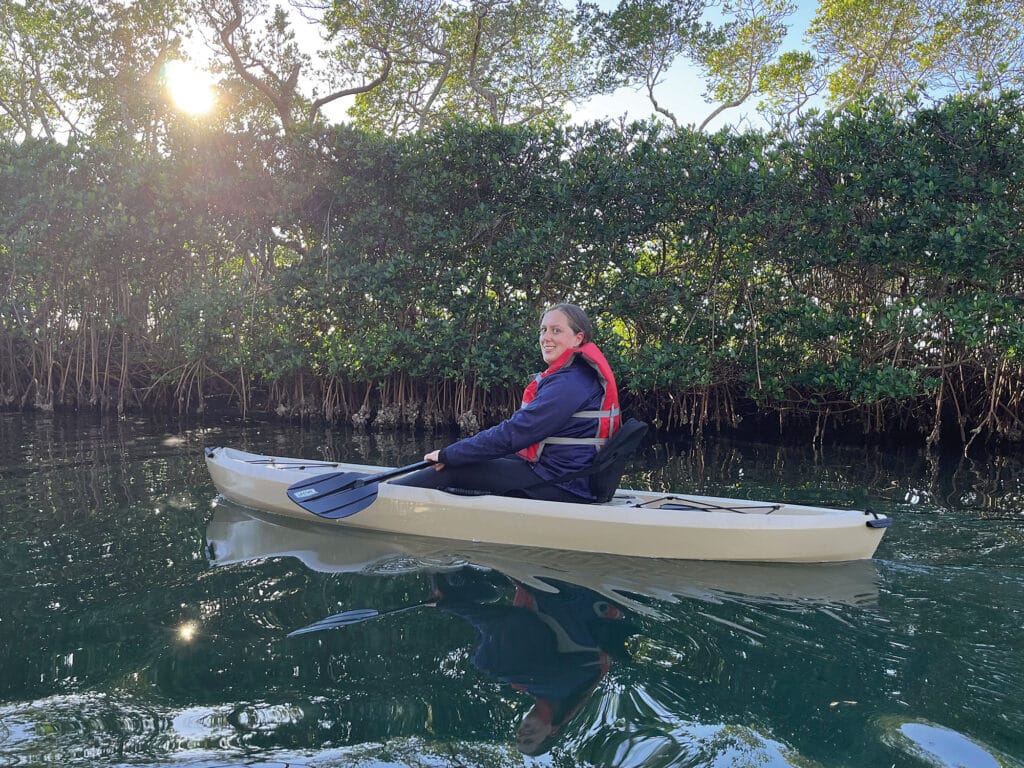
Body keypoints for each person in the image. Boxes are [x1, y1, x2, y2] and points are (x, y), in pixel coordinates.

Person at [394, 303, 620, 502]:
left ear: (578, 338)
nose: (546, 337)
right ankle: (395, 491)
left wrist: (449, 454)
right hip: (567, 477)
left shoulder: (571, 382)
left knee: (451, 470)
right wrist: (457, 454)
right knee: (472, 460)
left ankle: (389, 496)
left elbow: (515, 433)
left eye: (556, 330)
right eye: (543, 330)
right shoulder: (575, 375)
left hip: (565, 484)